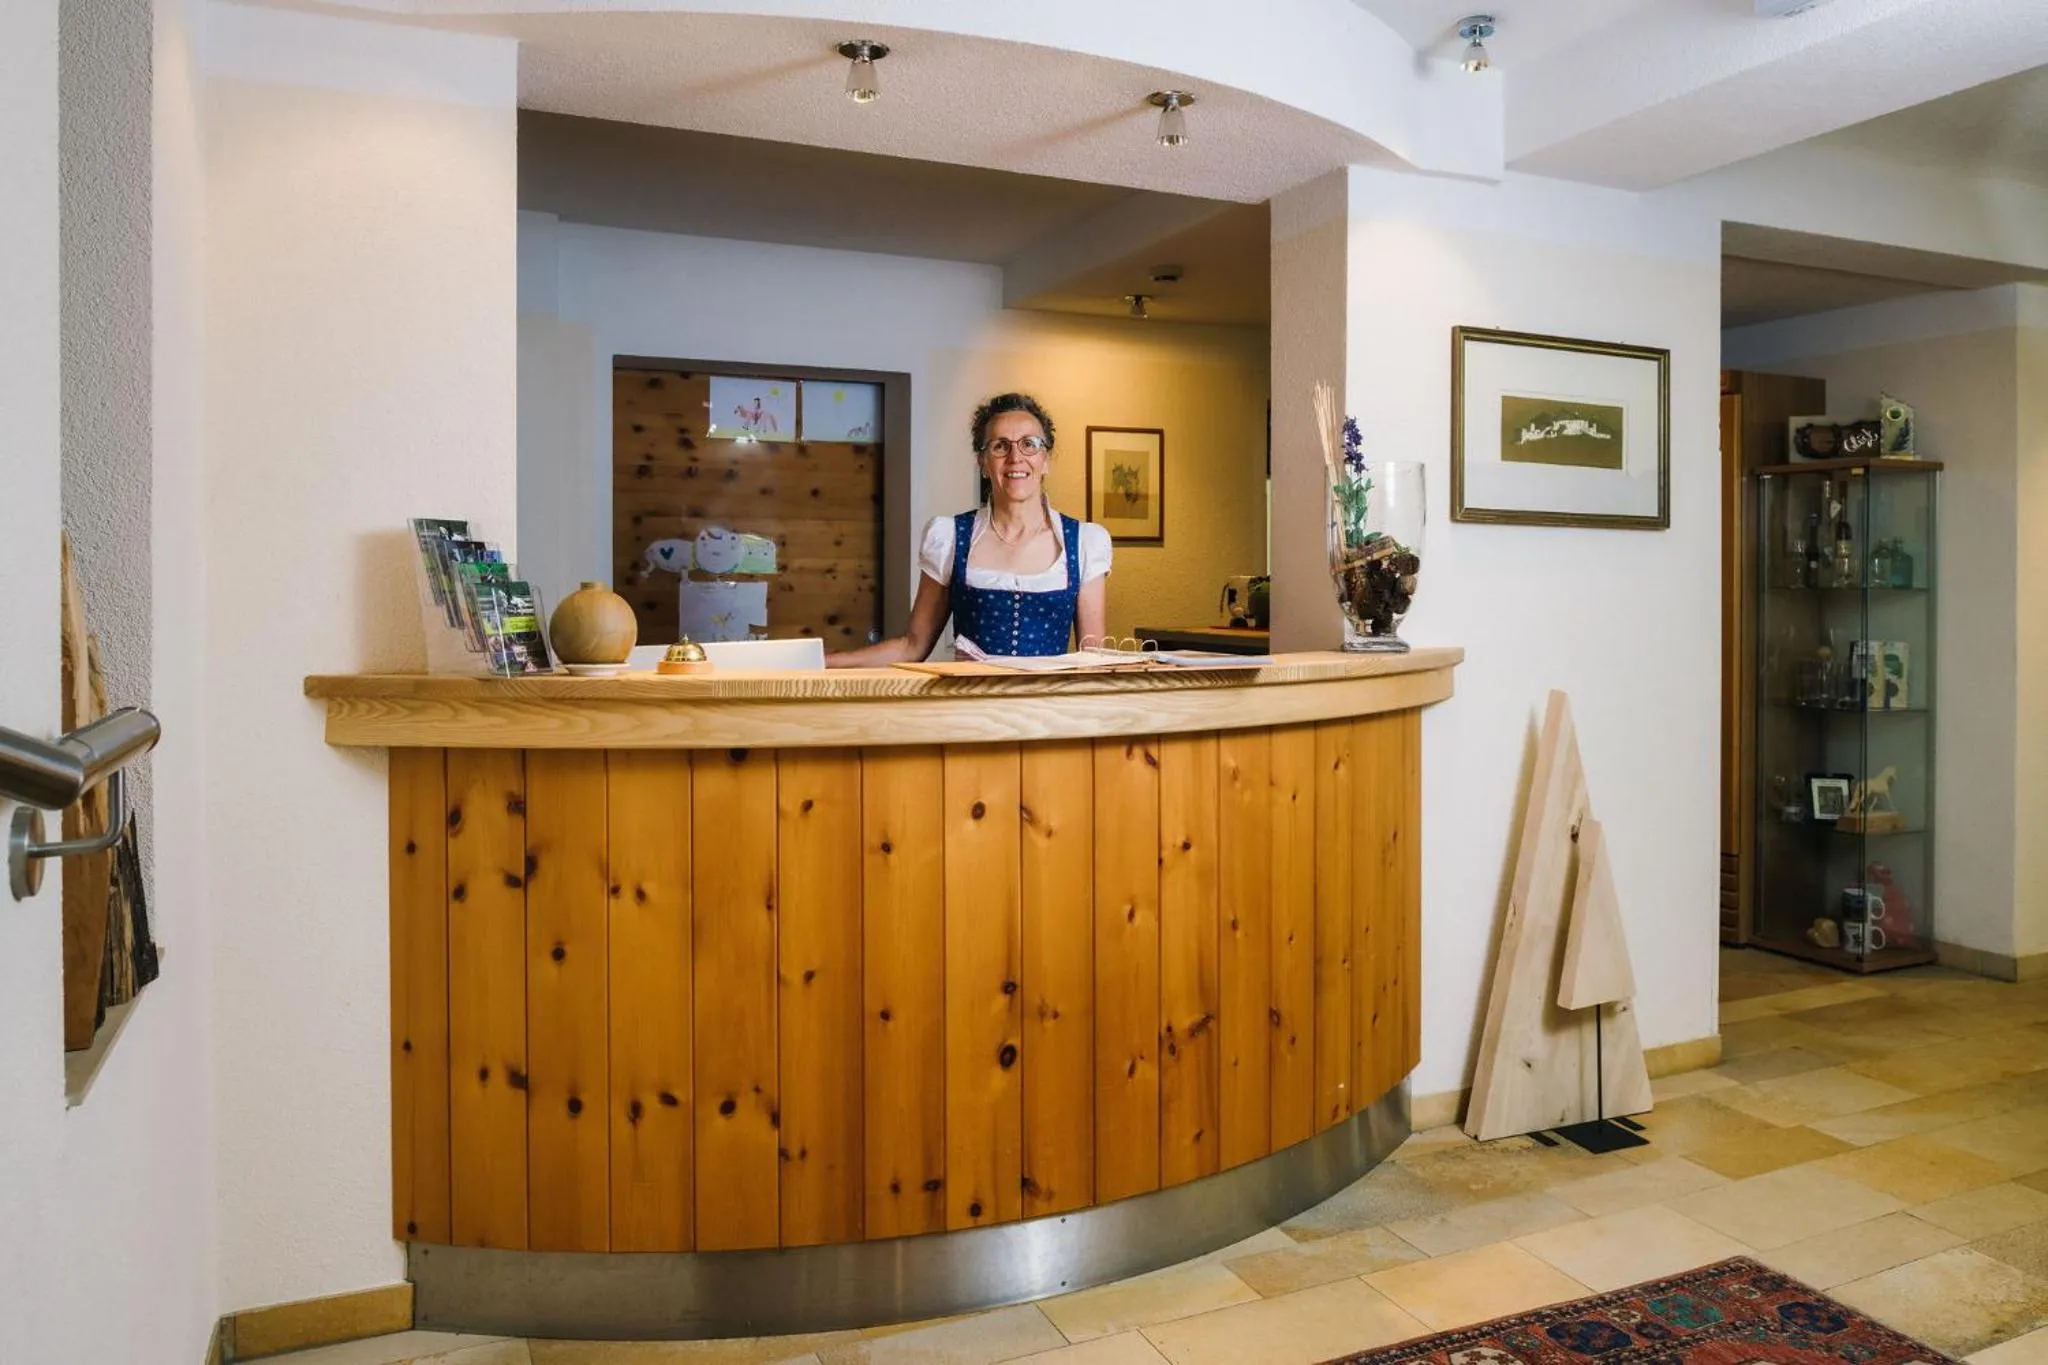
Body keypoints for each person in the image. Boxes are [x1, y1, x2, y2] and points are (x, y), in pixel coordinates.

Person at [827, 393, 1111, 666]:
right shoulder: (950, 537)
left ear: (1046, 459)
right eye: (1000, 445)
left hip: (1047, 713)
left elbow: (1092, 660)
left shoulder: (1083, 543)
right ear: (983, 462)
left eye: (1030, 444)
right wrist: (828, 661)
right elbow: (911, 647)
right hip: (969, 711)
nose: (1015, 457)